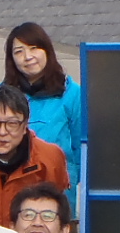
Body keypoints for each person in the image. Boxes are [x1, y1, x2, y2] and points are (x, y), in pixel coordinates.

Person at [0, 85, 72, 228]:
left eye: (12, 123)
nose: (2, 132)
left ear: (25, 126)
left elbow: (56, 213)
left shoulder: (50, 157)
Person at [5, 22, 86, 195]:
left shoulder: (71, 93)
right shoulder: (3, 95)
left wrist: (71, 182)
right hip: (15, 189)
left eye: (34, 48)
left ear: (47, 50)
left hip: (59, 191)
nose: (28, 57)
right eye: (19, 51)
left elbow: (82, 147)